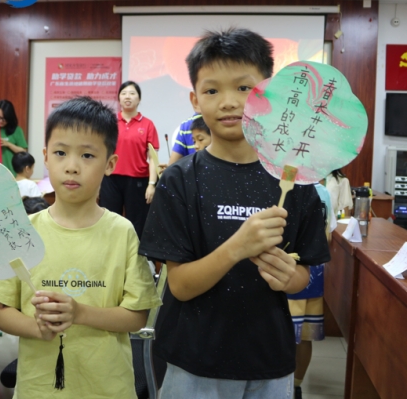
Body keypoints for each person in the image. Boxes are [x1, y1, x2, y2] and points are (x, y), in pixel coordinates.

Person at [139, 28, 330, 399]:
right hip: (194, 359)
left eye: (243, 88)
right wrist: (238, 247)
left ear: (267, 94)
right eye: (212, 91)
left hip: (269, 358)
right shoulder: (179, 180)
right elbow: (179, 285)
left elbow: (303, 275)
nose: (228, 102)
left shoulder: (294, 179)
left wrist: (287, 276)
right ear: (195, 99)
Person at [0, 97, 161, 398]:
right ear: (45, 157)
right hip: (39, 389)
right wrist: (37, 328)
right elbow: (2, 313)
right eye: (61, 153)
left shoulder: (122, 232)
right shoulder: (24, 231)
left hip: (108, 388)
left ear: (110, 164)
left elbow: (136, 317)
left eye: (88, 155)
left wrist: (78, 313)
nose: (72, 167)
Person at [287, 182, 337, 399]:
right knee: (304, 336)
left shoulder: (280, 185)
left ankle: (284, 384)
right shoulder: (321, 191)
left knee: (284, 332)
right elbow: (329, 234)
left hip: (286, 268)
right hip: (314, 270)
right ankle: (297, 386)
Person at [98, 81, 159, 239]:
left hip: (138, 181)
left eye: (132, 93)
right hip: (111, 179)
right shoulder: (110, 122)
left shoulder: (147, 124)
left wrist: (152, 184)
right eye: (124, 93)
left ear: (139, 99)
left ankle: (136, 254)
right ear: (119, 98)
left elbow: (153, 158)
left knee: (137, 223)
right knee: (108, 220)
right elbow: (101, 152)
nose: (127, 97)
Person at [0, 99, 28, 176]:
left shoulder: (17, 130)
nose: (0, 121)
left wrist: (8, 144)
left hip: (11, 173)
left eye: (4, 119)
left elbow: (23, 151)